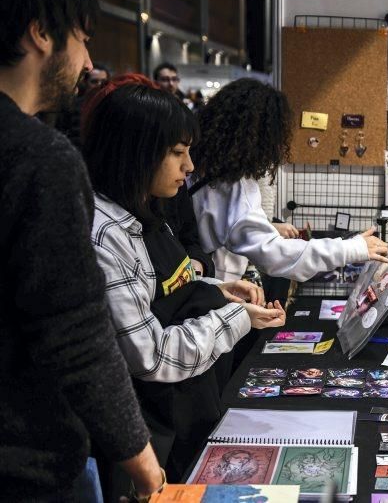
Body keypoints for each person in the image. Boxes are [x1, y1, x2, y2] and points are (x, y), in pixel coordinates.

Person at [0, 0, 163, 500]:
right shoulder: (39, 159)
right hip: (29, 466)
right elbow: (76, 332)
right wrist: (142, 463)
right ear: (40, 34)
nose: (89, 63)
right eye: (83, 40)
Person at [81, 74, 286, 491]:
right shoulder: (105, 236)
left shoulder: (148, 212)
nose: (189, 167)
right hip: (146, 438)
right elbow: (153, 356)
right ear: (137, 152)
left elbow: (167, 291)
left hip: (177, 421)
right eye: (177, 153)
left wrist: (216, 289)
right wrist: (237, 318)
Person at [187, 78, 388, 283]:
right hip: (207, 286)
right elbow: (275, 255)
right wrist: (351, 248)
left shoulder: (197, 163)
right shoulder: (233, 187)